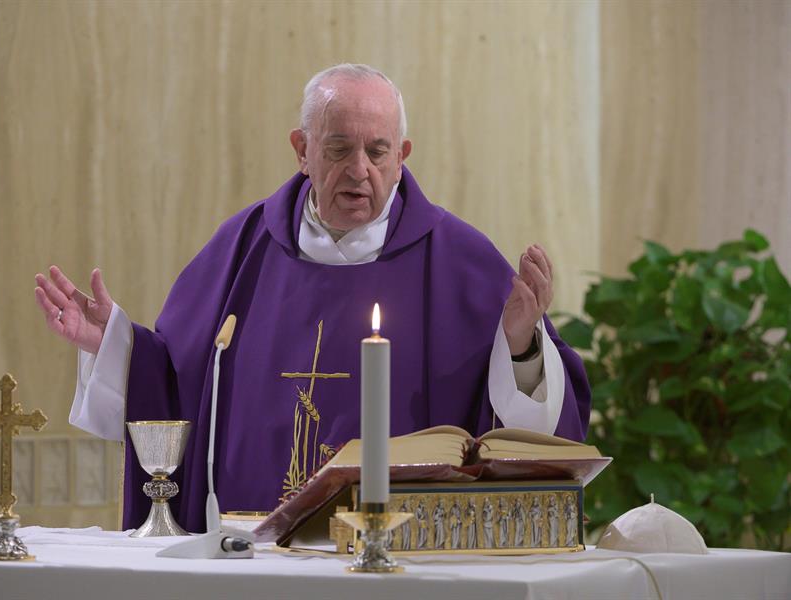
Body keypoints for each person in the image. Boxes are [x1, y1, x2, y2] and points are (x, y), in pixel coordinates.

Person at [34, 64, 591, 534]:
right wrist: (114, 343)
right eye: (339, 148)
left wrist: (521, 345)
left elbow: (530, 438)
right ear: (302, 150)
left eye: (377, 151)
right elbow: (180, 384)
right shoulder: (240, 250)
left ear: (402, 156)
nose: (359, 170)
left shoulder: (460, 263)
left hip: (404, 556)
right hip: (248, 552)